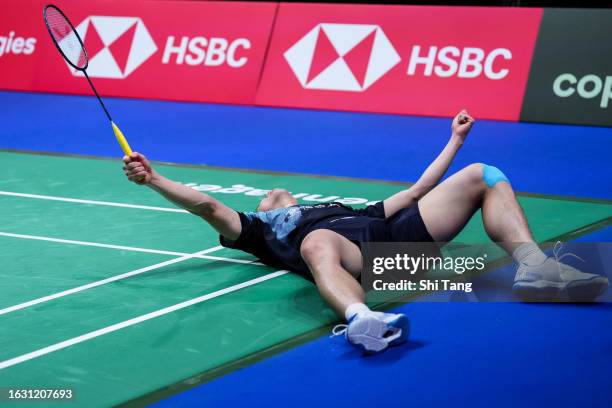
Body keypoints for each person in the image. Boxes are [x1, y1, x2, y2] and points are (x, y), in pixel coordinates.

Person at [122, 110, 608, 354]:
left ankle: (536, 267)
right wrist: (154, 177)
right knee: (316, 242)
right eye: (266, 197)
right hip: (354, 261)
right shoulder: (258, 230)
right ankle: (363, 321)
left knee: (484, 173)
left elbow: (418, 189)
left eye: (278, 193)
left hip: (397, 240)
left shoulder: (340, 205)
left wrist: (456, 140)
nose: (273, 193)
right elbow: (206, 203)